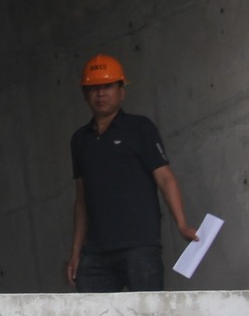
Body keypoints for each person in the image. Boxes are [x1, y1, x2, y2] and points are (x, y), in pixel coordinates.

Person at [65, 54, 199, 293]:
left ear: (122, 91)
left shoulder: (140, 128)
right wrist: (76, 252)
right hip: (96, 251)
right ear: (85, 94)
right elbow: (81, 199)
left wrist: (181, 225)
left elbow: (165, 178)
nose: (100, 94)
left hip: (139, 245)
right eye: (93, 88)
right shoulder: (80, 140)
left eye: (107, 86)